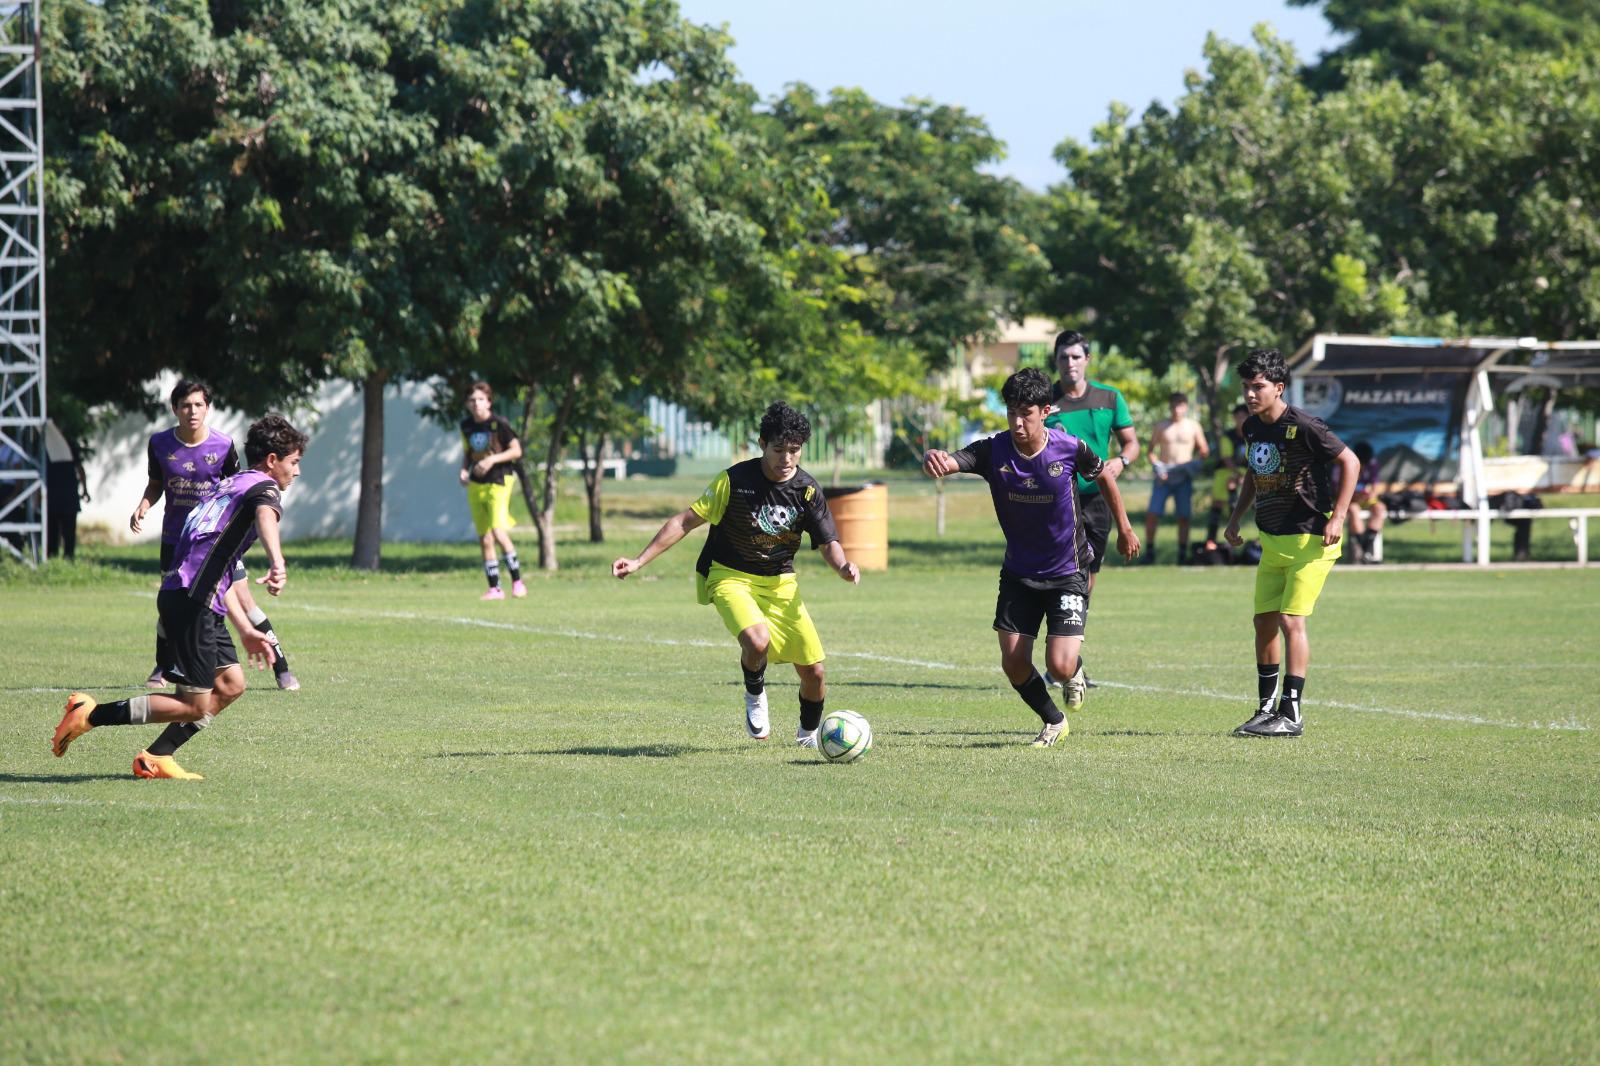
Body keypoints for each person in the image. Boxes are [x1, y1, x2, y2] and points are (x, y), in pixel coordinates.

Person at [52, 415, 307, 779]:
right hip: (192, 601)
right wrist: (278, 561)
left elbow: (219, 570)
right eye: (293, 461)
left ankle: (157, 756)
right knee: (193, 704)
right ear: (271, 460)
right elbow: (267, 516)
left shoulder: (230, 485)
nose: (296, 471)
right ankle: (89, 714)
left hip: (190, 596)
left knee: (232, 684)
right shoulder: (263, 490)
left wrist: (245, 629)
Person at [612, 401, 860, 747]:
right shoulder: (734, 481)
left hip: (780, 583)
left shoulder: (807, 491)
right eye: (778, 449)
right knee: (757, 641)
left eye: (794, 450)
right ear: (762, 444)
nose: (786, 458)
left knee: (815, 674)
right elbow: (684, 521)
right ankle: (755, 693)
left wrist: (843, 566)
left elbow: (827, 541)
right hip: (729, 575)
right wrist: (639, 561)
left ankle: (807, 737)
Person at [922, 368, 1139, 747]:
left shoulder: (1070, 447)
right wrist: (936, 458)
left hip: (1068, 570)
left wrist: (1125, 527)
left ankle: (1073, 669)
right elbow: (953, 461)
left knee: (1059, 664)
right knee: (1014, 663)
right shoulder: (994, 450)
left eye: (1027, 413)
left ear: (1046, 411)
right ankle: (1053, 720)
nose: (1018, 422)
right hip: (1019, 573)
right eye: (1011, 413)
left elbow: (1104, 475)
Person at [1224, 349, 1359, 738]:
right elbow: (1254, 471)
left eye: (1258, 386)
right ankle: (1266, 708)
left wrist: (1339, 516)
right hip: (1273, 540)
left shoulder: (1304, 425)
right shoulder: (1252, 428)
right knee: (1263, 622)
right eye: (1247, 386)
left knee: (1290, 620)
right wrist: (1236, 518)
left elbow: (1350, 462)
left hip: (1310, 539)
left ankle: (1292, 712)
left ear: (1279, 387)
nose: (1250, 394)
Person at [131, 380, 299, 691]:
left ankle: (281, 667)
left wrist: (275, 558)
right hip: (177, 541)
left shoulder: (223, 446)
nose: (192, 411)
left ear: (207, 409)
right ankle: (165, 666)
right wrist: (144, 504)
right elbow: (156, 483)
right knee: (176, 604)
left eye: (198, 405)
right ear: (175, 409)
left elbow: (243, 489)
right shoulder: (159, 444)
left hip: (218, 542)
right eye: (185, 405)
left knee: (242, 599)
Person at [1043, 329, 1139, 690]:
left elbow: (1131, 443)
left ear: (1087, 360)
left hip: (1097, 500)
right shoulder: (1044, 400)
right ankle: (1060, 662)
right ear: (1056, 362)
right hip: (1055, 501)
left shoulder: (1109, 398)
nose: (1070, 363)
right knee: (1055, 576)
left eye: (1076, 357)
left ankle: (1065, 660)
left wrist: (1120, 462)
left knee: (1086, 581)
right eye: (1063, 358)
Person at [459, 381, 526, 601]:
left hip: (499, 480)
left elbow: (516, 450)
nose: (476, 404)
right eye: (472, 400)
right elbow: (469, 452)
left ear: (488, 401)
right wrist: (463, 470)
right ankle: (495, 589)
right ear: (468, 404)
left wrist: (492, 460)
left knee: (498, 531)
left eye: (480, 399)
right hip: (477, 484)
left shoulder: (500, 424)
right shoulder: (466, 426)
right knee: (485, 538)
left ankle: (518, 582)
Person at [1141, 392, 1209, 564]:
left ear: (1185, 407)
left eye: (1180, 405)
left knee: (1184, 516)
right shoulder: (1162, 426)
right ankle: (1149, 552)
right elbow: (1150, 451)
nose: (1177, 409)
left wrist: (1195, 465)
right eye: (1174, 405)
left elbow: (1204, 450)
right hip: (1164, 474)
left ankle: (1181, 554)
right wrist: (1157, 467)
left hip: (1183, 474)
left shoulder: (1193, 426)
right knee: (1152, 513)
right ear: (1170, 406)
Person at [1204, 403, 1249, 549]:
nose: (1240, 420)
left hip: (1247, 474)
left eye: (1244, 417)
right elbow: (1227, 459)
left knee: (1244, 505)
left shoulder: (1254, 434)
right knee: (1218, 504)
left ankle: (1253, 541)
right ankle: (1211, 540)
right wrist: (1238, 475)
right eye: (1238, 417)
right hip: (1226, 473)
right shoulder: (1228, 437)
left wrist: (1245, 477)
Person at [44, 420, 89, 561]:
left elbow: (79, 469)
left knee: (68, 531)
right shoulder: (44, 447)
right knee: (53, 531)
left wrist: (85, 490)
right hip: (54, 495)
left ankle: (68, 558)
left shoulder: (69, 445)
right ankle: (53, 557)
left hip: (68, 495)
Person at [1344, 442, 1387, 564]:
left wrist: (1369, 495)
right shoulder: (1346, 464)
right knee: (1353, 510)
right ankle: (1364, 552)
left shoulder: (1373, 464)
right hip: (1350, 499)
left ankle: (1365, 549)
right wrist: (1355, 496)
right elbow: (1338, 489)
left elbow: (1375, 486)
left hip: (1365, 499)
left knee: (1379, 508)